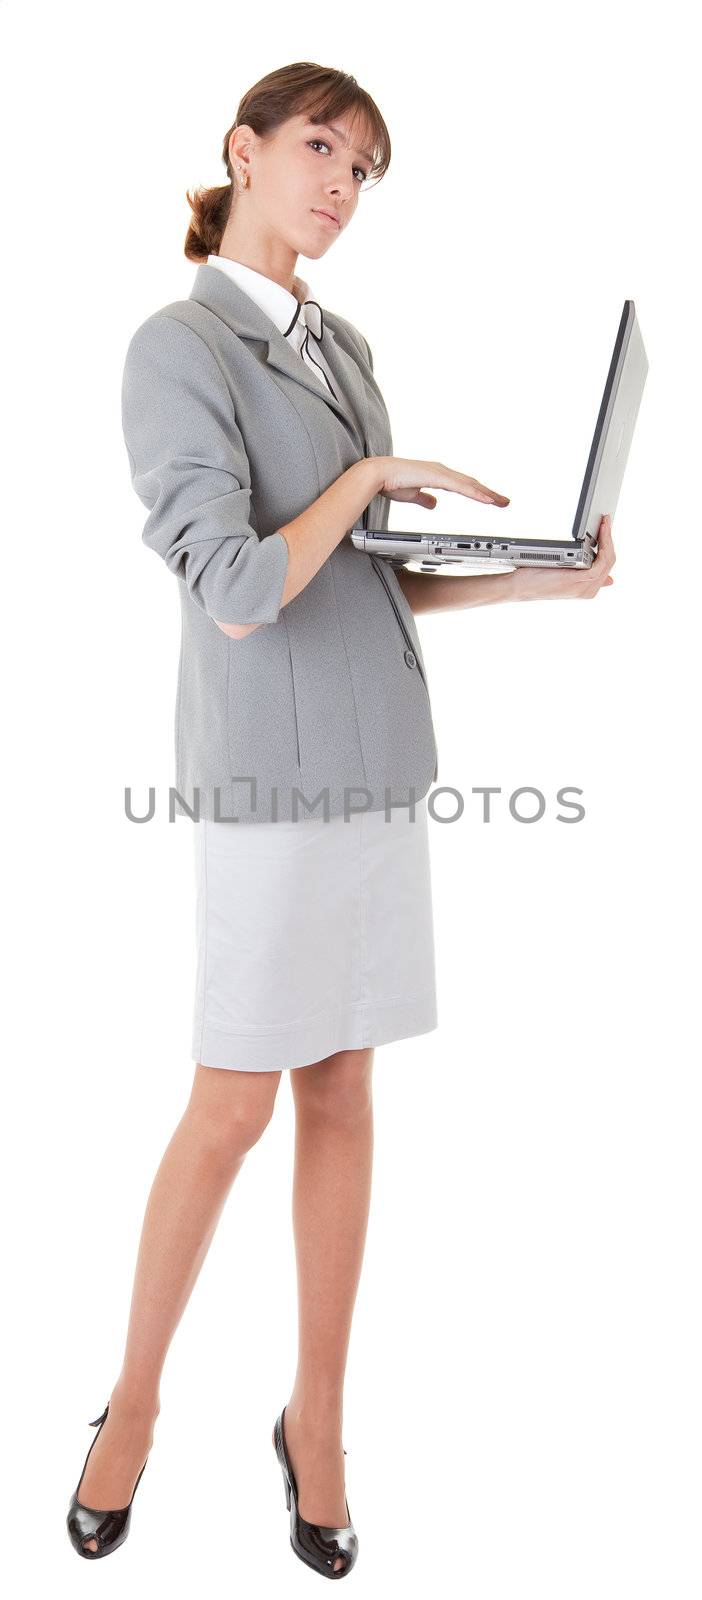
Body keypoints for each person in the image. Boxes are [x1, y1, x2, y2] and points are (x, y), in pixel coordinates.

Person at [66, 60, 616, 1577]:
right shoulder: (175, 349)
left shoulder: (342, 344)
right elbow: (241, 590)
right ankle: (129, 1409)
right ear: (242, 151)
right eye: (320, 148)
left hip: (377, 774)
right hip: (267, 785)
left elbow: (361, 576)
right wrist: (370, 467)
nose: (339, 184)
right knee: (231, 1103)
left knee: (343, 1096)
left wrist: (540, 574)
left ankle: (319, 1425)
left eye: (364, 169)